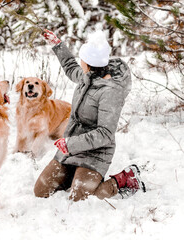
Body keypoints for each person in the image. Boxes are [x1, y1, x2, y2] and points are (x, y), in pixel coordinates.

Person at [34, 29, 146, 201]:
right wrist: (57, 44)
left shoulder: (110, 92)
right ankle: (75, 174)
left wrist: (70, 144)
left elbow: (105, 134)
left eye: (82, 59)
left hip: (96, 153)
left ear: (88, 62)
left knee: (80, 198)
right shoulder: (87, 76)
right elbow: (70, 67)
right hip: (71, 149)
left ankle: (126, 179)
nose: (80, 62)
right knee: (41, 190)